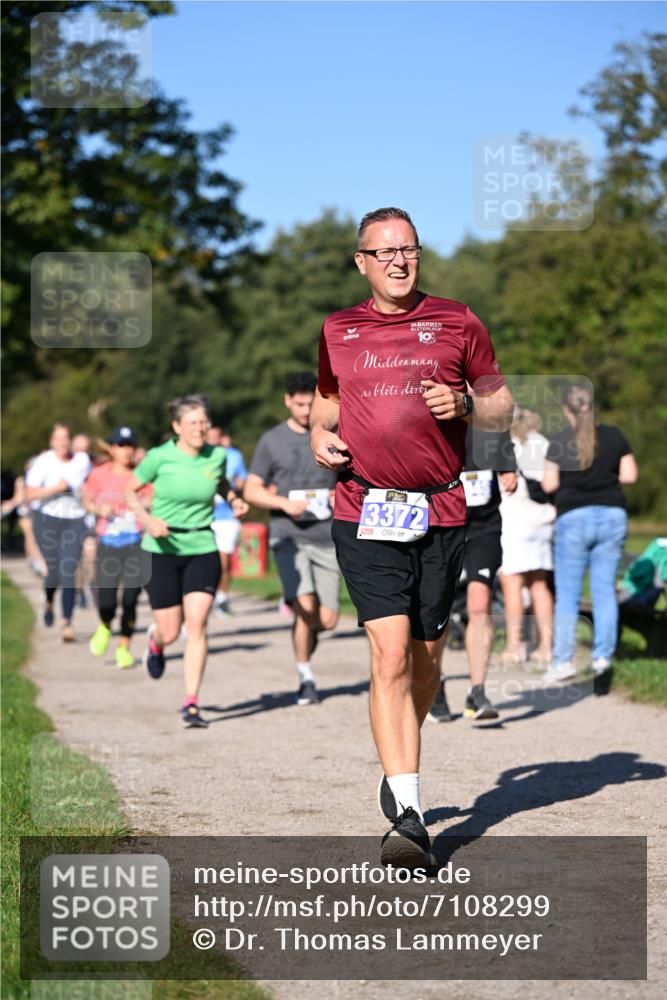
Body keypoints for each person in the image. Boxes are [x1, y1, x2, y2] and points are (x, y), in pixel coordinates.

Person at [310, 207, 513, 866]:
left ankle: (398, 752)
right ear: (361, 262)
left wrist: (466, 404)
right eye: (385, 251)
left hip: (440, 509)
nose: (399, 261)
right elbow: (326, 401)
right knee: (390, 653)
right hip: (362, 506)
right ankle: (409, 813)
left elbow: (500, 403)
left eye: (409, 250)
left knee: (425, 659)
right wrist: (318, 435)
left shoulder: (457, 320)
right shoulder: (337, 329)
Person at [125, 395, 249, 727]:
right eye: (193, 423)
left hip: (202, 546)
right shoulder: (158, 457)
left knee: (197, 625)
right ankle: (156, 641)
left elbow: (220, 482)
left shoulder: (217, 455)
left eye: (204, 422)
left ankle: (191, 702)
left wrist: (233, 499)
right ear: (177, 426)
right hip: (161, 549)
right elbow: (129, 490)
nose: (200, 428)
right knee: (170, 630)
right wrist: (147, 520)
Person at [245, 372, 340, 705]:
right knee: (305, 605)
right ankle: (306, 676)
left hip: (326, 536)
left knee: (327, 620)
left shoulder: (334, 434)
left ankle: (304, 636)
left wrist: (340, 496)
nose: (304, 410)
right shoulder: (272, 440)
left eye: (310, 404)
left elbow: (351, 477)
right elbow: (251, 489)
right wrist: (284, 504)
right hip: (288, 536)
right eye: (299, 404)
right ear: (287, 401)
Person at [541, 382, 638, 683]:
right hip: (612, 515)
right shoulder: (614, 435)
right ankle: (602, 658)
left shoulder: (559, 440)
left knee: (568, 594)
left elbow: (549, 484)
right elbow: (629, 475)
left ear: (565, 409)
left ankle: (563, 662)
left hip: (573, 518)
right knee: (604, 591)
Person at [429, 425, 517, 724]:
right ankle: (434, 683)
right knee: (437, 608)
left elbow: (505, 450)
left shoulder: (491, 417)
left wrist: (508, 470)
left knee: (480, 605)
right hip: (440, 523)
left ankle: (477, 692)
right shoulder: (435, 412)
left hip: (483, 525)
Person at [83, 426, 150, 669]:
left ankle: (124, 647)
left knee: (131, 598)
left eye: (130, 445)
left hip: (136, 543)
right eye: (121, 445)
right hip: (108, 543)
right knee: (107, 601)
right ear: (111, 449)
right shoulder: (99, 474)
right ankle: (105, 624)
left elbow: (153, 498)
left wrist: (144, 504)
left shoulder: (142, 474)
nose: (126, 450)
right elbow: (86, 500)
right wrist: (99, 509)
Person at [498, 406, 555, 667]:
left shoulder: (506, 443)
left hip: (515, 519)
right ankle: (546, 648)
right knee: (539, 584)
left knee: (512, 583)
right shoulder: (542, 442)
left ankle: (514, 646)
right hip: (543, 519)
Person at [25, 423, 92, 640]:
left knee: (68, 570)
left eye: (66, 437)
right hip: (47, 520)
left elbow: (91, 484)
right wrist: (56, 488)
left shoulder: (82, 460)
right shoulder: (43, 462)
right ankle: (48, 600)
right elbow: (30, 494)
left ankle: (67, 622)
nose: (63, 442)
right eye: (58, 438)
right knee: (53, 572)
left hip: (75, 520)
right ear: (52, 441)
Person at [205, 425, 248, 616]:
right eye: (210, 437)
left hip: (227, 516)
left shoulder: (233, 456)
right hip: (205, 516)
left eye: (216, 436)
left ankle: (221, 598)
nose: (213, 440)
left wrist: (238, 485)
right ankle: (203, 597)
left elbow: (242, 480)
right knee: (204, 561)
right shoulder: (199, 455)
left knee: (224, 562)